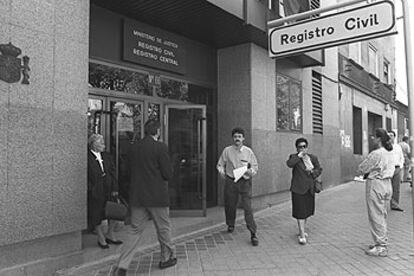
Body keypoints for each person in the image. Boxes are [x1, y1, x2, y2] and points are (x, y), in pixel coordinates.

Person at [113, 120, 176, 276]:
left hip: (138, 197)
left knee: (134, 231)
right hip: (157, 198)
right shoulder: (160, 147)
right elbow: (167, 174)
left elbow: (126, 172)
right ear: (158, 131)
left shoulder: (134, 148)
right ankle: (166, 258)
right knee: (163, 229)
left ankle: (122, 266)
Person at [217, 127, 259, 246]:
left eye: (239, 137)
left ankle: (253, 233)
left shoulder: (248, 152)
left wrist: (251, 172)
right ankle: (230, 224)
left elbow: (255, 166)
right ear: (233, 138)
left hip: (244, 182)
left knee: (247, 207)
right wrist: (221, 172)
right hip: (231, 181)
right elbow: (220, 164)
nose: (237, 139)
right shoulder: (227, 151)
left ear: (243, 138)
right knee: (230, 204)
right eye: (235, 137)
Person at [357, 128, 394, 257]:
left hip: (376, 184)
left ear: (379, 139)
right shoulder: (390, 152)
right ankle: (381, 240)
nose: (372, 138)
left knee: (375, 215)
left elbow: (362, 168)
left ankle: (380, 245)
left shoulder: (376, 153)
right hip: (387, 184)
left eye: (374, 137)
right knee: (382, 213)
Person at [87, 134, 123, 249]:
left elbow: (113, 172)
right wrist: (91, 189)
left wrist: (115, 188)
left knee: (112, 212)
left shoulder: (107, 156)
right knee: (96, 213)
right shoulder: (87, 157)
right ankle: (100, 237)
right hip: (96, 191)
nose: (104, 144)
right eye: (101, 142)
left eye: (103, 142)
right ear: (93, 144)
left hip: (109, 189)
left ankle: (110, 234)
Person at [286, 138, 322, 245]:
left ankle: (302, 230)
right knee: (300, 212)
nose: (303, 148)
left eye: (304, 146)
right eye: (300, 147)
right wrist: (299, 156)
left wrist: (312, 172)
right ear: (297, 148)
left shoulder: (312, 158)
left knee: (306, 211)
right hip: (298, 189)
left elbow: (319, 169)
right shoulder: (294, 157)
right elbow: (289, 164)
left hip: (309, 189)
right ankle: (301, 234)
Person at [388, 131, 404, 212]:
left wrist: (400, 166)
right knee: (386, 188)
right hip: (388, 169)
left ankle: (395, 205)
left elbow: (402, 157)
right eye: (389, 135)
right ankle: (382, 205)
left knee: (396, 188)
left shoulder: (398, 147)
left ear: (394, 137)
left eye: (391, 135)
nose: (390, 137)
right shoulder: (385, 147)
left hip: (397, 168)